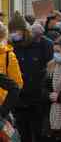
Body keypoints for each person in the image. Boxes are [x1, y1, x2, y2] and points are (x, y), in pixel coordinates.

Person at [8, 13, 53, 142]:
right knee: (23, 133)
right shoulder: (11, 46)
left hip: (38, 98)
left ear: (24, 30)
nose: (13, 34)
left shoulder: (44, 44)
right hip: (19, 99)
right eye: (11, 31)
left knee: (40, 133)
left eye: (16, 31)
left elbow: (50, 70)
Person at [0, 22, 23, 108]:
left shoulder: (8, 56)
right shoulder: (8, 55)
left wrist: (4, 111)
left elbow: (17, 84)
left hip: (2, 104)